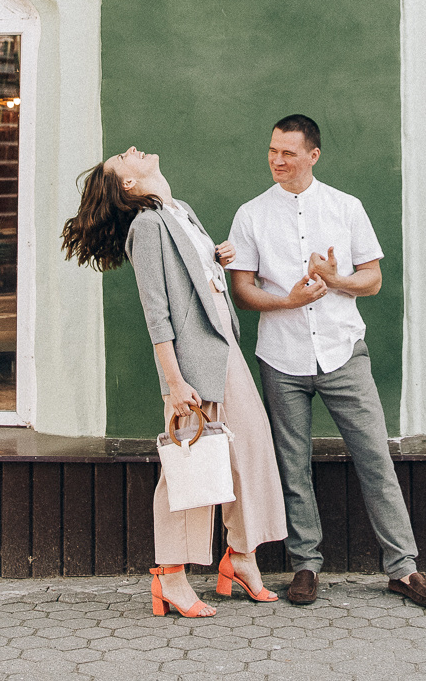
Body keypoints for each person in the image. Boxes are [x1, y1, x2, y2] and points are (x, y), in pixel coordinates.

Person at [226, 115, 426, 609]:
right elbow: (242, 291)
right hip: (281, 359)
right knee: (293, 464)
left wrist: (335, 279)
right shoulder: (251, 214)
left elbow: (373, 280)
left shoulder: (346, 207)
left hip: (344, 352)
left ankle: (404, 570)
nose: (277, 161)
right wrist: (291, 300)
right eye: (272, 151)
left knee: (376, 459)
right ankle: (305, 565)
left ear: (313, 155)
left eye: (288, 153)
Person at [60, 146, 286, 618]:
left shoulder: (179, 212)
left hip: (222, 348)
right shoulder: (145, 228)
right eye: (124, 158)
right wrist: (174, 381)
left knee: (252, 449)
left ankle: (240, 557)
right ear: (128, 184)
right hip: (190, 364)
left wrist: (216, 257)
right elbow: (156, 310)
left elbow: (196, 282)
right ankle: (171, 577)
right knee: (191, 468)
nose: (132, 151)